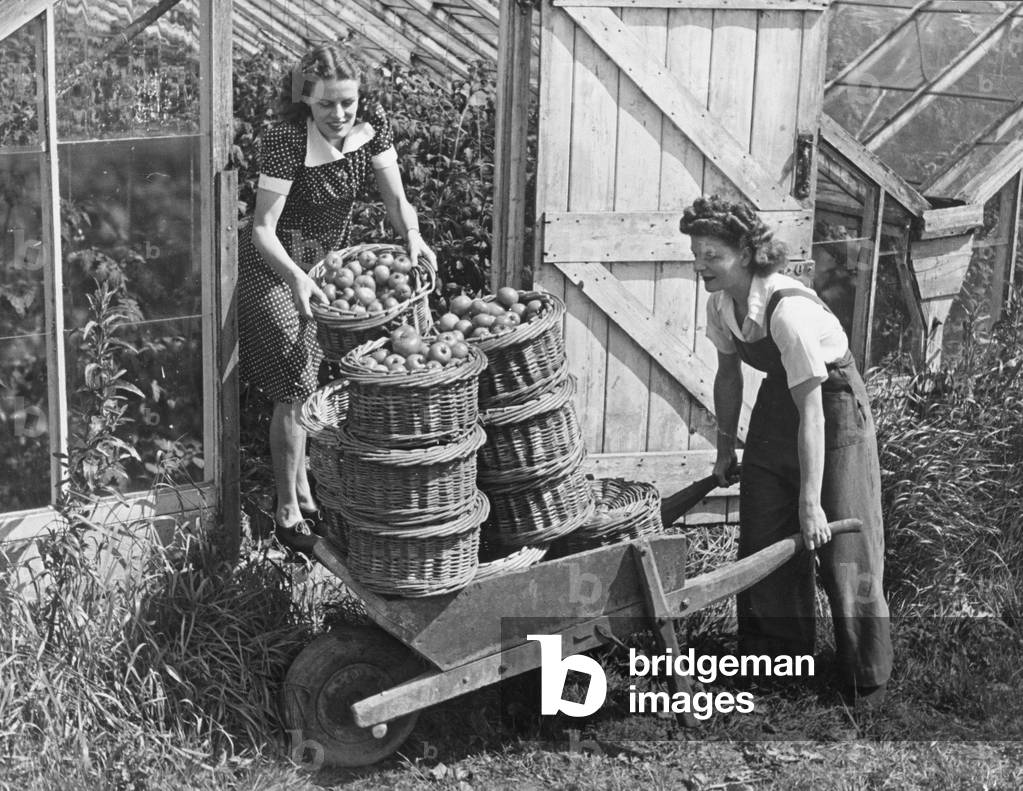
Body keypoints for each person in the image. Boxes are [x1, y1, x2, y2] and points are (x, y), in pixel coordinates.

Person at [679, 195, 892, 705]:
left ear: (747, 254)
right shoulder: (721, 304)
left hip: (833, 403)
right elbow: (728, 376)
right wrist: (725, 450)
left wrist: (812, 501)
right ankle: (777, 663)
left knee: (846, 539)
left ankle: (866, 677)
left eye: (713, 255)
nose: (701, 264)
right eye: (697, 253)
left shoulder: (789, 310)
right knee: (763, 524)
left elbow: (814, 413)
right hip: (784, 396)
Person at [238, 44, 436, 550]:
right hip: (275, 261)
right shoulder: (286, 139)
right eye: (327, 104)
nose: (339, 114)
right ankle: (286, 511)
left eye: (347, 102)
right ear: (306, 100)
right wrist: (296, 278)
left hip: (326, 261)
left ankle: (305, 493)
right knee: (294, 378)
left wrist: (411, 233)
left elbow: (395, 197)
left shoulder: (372, 126)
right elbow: (262, 228)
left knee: (312, 373)